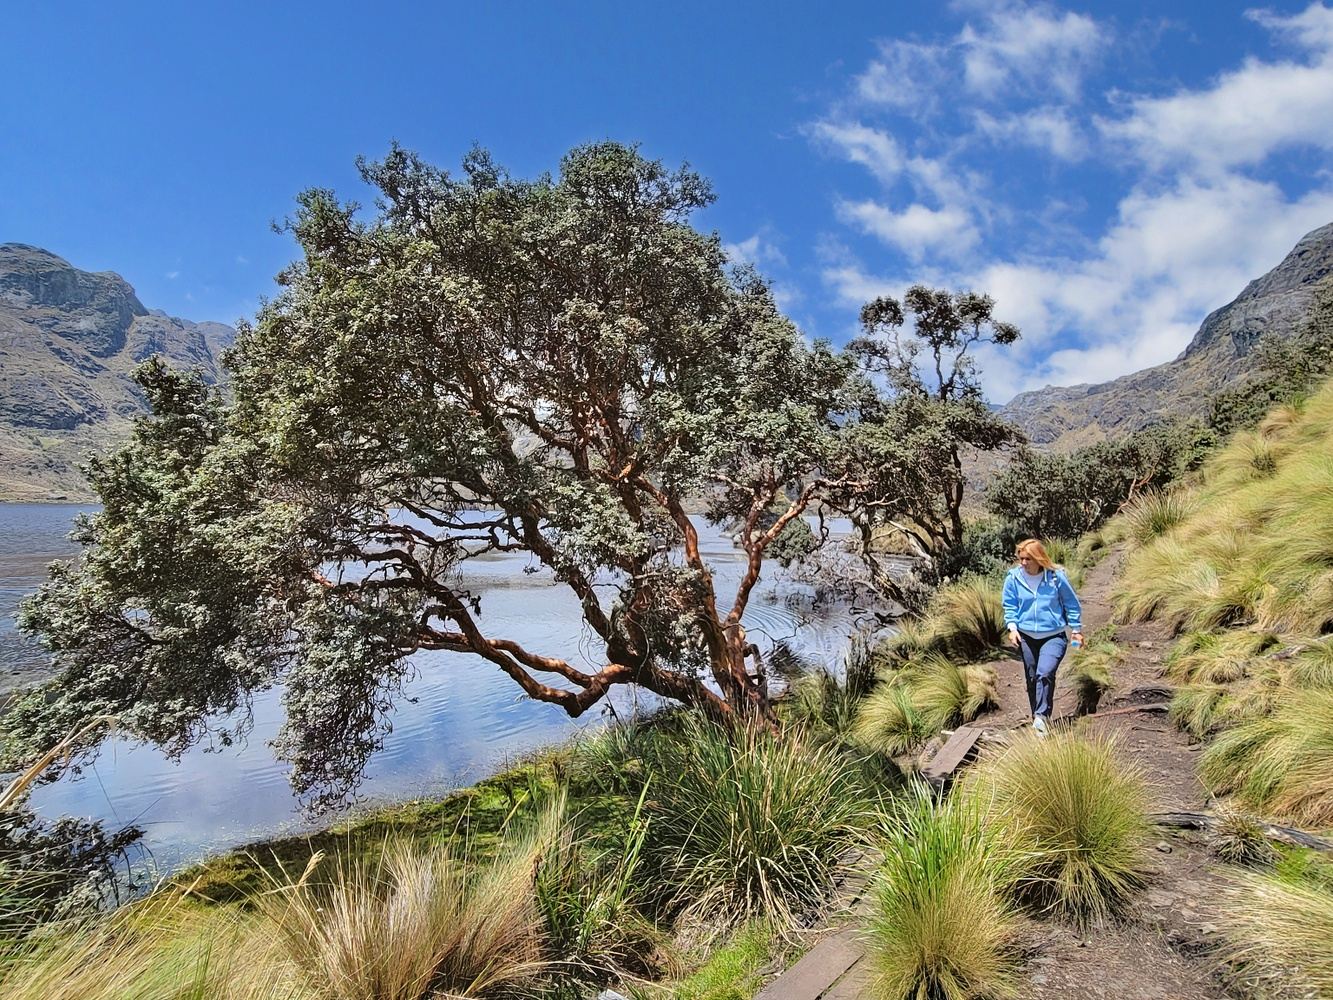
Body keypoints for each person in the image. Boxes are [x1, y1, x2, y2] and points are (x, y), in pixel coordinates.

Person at [1001, 538, 1083, 736]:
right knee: (1032, 677)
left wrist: (1077, 629)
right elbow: (1009, 605)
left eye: (1027, 558)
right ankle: (1038, 719)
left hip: (1053, 636)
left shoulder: (1055, 577)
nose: (1023, 563)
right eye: (1021, 558)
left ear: (1039, 558)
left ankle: (1041, 717)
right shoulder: (1013, 578)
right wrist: (1012, 628)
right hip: (1026, 637)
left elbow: (1071, 603)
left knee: (1044, 673)